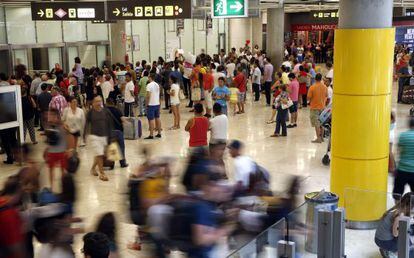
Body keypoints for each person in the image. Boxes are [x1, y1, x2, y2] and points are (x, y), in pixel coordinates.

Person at [375, 192, 414, 257]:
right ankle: (389, 252)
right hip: (384, 242)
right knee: (409, 247)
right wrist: (407, 224)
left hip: (379, 239)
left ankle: (388, 250)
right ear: (409, 206)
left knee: (408, 240)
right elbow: (395, 234)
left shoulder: (397, 208)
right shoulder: (399, 215)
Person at [84, 96, 113, 181]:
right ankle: (102, 173)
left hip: (104, 135)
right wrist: (84, 135)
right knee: (99, 154)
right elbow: (86, 124)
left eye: (100, 101)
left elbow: (110, 123)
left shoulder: (105, 111)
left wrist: (111, 136)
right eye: (96, 101)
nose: (98, 103)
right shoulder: (90, 112)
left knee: (100, 154)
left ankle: (93, 168)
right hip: (94, 136)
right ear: (93, 103)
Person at [45, 109, 68, 190]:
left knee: (63, 170)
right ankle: (51, 187)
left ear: (57, 116)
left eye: (52, 115)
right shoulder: (48, 125)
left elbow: (67, 137)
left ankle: (63, 186)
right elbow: (48, 140)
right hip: (52, 152)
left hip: (61, 151)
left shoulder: (62, 125)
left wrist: (68, 150)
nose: (50, 117)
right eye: (49, 115)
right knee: (51, 170)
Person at [393, 117, 414, 199]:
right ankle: (410, 208)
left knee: (397, 193)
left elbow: (398, 152)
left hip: (402, 169)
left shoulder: (403, 135)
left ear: (409, 125)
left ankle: (398, 209)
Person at [106, 98, 129, 168]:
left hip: (109, 132)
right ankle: (122, 163)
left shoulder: (104, 111)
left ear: (106, 103)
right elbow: (123, 120)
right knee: (121, 147)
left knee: (112, 147)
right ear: (113, 103)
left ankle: (111, 164)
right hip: (118, 131)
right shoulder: (117, 110)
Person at [307, 73, 328, 143]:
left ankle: (318, 138)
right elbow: (326, 96)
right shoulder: (325, 87)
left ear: (315, 79)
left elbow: (309, 97)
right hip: (322, 107)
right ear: (321, 79)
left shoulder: (312, 87)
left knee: (316, 124)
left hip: (314, 107)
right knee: (321, 123)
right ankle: (321, 137)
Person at [145, 74, 162, 139]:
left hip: (151, 104)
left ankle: (151, 135)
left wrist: (146, 104)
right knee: (157, 118)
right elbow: (159, 95)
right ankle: (159, 133)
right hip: (157, 103)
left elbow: (148, 96)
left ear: (150, 77)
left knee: (151, 119)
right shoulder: (157, 85)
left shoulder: (149, 85)